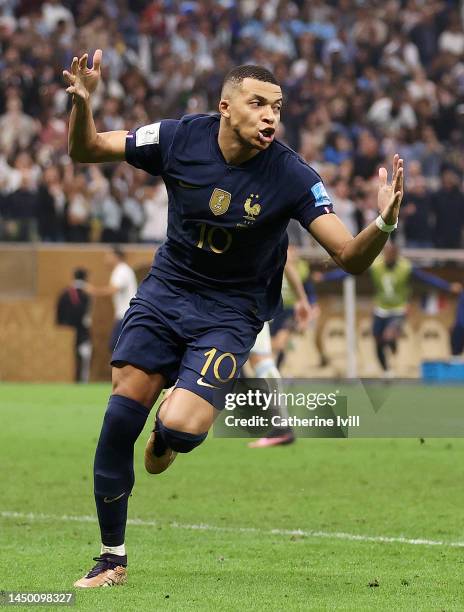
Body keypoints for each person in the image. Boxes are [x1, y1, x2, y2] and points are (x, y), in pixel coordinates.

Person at [63, 50, 403, 587]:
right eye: (258, 103)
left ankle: (170, 431)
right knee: (117, 420)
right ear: (225, 107)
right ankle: (112, 559)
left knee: (178, 428)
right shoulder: (178, 138)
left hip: (231, 313)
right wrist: (83, 105)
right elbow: (86, 149)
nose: (271, 115)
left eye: (278, 107)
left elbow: (349, 256)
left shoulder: (292, 174)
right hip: (166, 294)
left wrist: (383, 222)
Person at [314, 242, 462, 375]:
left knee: (389, 335)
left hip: (398, 309)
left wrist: (448, 286)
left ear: (396, 256)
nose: (389, 257)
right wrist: (325, 277)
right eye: (387, 254)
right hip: (381, 309)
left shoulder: (405, 267)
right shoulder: (376, 265)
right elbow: (348, 272)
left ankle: (393, 342)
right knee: (377, 341)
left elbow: (427, 279)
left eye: (392, 255)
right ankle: (386, 370)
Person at [247, 252, 313, 448]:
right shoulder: (265, 224)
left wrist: (302, 300)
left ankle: (282, 427)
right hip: (252, 302)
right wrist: (303, 300)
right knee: (261, 361)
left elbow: (286, 260)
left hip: (243, 302)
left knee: (262, 360)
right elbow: (285, 260)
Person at [86, 245, 138, 352]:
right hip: (125, 315)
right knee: (118, 346)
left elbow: (113, 289)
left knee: (116, 346)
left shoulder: (121, 270)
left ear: (116, 256)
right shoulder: (122, 269)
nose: (105, 258)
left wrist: (94, 291)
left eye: (108, 255)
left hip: (126, 315)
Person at [56, 268, 92, 382]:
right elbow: (87, 317)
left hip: (65, 331)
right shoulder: (86, 294)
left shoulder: (64, 293)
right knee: (85, 354)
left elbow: (58, 312)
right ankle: (83, 379)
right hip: (81, 330)